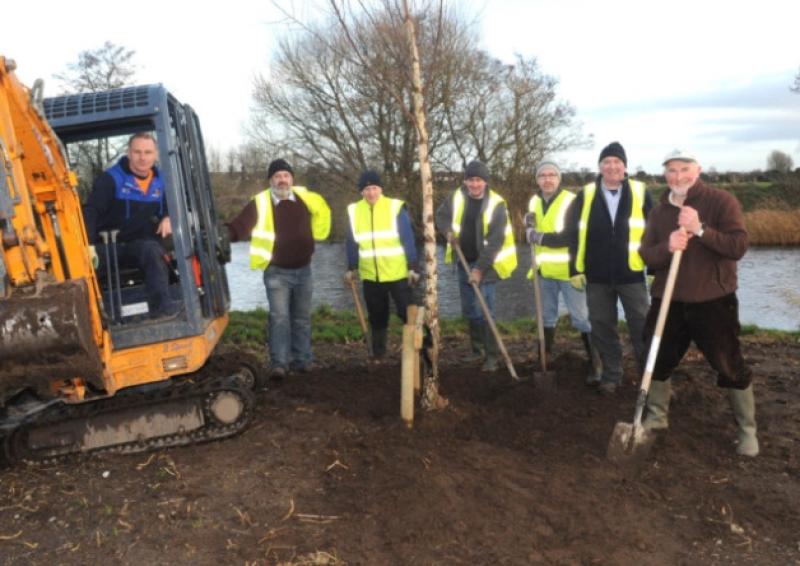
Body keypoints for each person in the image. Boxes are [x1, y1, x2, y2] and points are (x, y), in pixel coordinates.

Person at [639, 149, 757, 456]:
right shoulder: (659, 211)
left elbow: (738, 246)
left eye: (684, 169)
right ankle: (656, 417)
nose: (677, 176)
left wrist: (700, 230)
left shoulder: (721, 201)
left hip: (713, 300)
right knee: (654, 359)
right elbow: (646, 254)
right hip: (669, 300)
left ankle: (747, 431)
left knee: (728, 364)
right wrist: (667, 246)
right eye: (671, 171)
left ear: (698, 170)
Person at [226, 159, 331, 378]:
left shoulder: (306, 199)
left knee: (302, 318)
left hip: (304, 270)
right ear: (270, 180)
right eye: (277, 176)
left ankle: (303, 360)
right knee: (280, 318)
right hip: (277, 273)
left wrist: (316, 236)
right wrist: (225, 235)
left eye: (286, 176)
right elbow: (241, 225)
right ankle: (279, 364)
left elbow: (323, 213)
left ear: (292, 179)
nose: (282, 180)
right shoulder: (261, 202)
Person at [568, 142, 653, 394]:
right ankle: (612, 375)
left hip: (632, 274)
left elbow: (655, 230)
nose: (612, 166)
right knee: (602, 326)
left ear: (625, 166)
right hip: (596, 275)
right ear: (600, 167)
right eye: (607, 162)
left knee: (641, 326)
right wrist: (575, 269)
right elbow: (574, 233)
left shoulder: (640, 191)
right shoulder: (585, 194)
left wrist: (655, 269)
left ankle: (649, 380)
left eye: (617, 162)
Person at [83, 132, 179, 319]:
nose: (142, 158)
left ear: (156, 155)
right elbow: (92, 210)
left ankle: (163, 312)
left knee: (152, 250)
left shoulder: (162, 182)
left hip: (140, 246)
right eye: (137, 152)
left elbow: (176, 205)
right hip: (108, 247)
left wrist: (168, 216)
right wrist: (87, 245)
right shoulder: (110, 179)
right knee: (79, 266)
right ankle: (96, 319)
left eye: (148, 152)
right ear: (128, 152)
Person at [435, 160, 517, 371]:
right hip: (463, 260)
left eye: (479, 180)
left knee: (486, 309)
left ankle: (492, 357)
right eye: (471, 180)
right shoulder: (457, 196)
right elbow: (441, 216)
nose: (474, 184)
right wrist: (447, 232)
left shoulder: (497, 204)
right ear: (465, 181)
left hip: (488, 264)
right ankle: (476, 350)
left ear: (486, 182)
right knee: (471, 308)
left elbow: (496, 241)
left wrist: (479, 269)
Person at [525, 159, 601, 381]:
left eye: (552, 175)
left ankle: (596, 364)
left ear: (559, 178)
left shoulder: (571, 201)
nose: (547, 179)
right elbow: (532, 234)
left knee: (582, 318)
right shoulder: (533, 201)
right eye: (542, 175)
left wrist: (539, 236)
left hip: (570, 272)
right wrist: (528, 229)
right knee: (546, 318)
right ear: (537, 179)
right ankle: (544, 360)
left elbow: (571, 236)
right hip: (544, 271)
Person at [345, 170, 419, 360]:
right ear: (361, 191)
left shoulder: (395, 208)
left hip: (398, 274)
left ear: (381, 189)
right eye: (367, 189)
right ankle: (378, 355)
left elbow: (408, 240)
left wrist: (412, 267)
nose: (371, 193)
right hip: (370, 275)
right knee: (377, 317)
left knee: (408, 313)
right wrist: (351, 267)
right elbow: (352, 242)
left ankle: (418, 351)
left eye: (375, 188)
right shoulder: (354, 211)